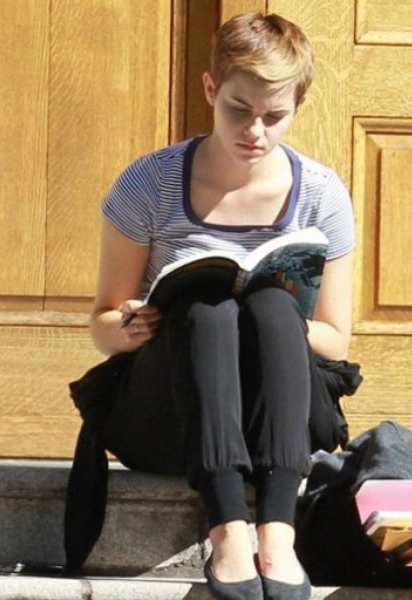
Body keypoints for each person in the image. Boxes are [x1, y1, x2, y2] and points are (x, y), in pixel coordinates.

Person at [81, 12, 354, 600]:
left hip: (277, 419)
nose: (254, 130)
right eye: (238, 108)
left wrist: (273, 315)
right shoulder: (149, 184)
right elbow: (103, 325)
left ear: (299, 106)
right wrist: (133, 326)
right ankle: (229, 527)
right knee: (206, 306)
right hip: (172, 416)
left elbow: (335, 339)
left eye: (274, 116)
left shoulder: (321, 193)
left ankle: (277, 529)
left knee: (273, 309)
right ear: (210, 89)